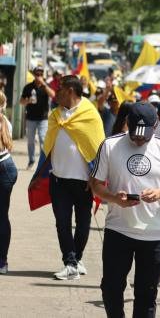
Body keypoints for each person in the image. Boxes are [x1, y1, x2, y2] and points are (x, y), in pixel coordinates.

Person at [89, 102, 160, 317]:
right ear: (127, 123)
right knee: (111, 288)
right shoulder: (110, 145)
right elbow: (96, 185)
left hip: (154, 235)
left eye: (145, 136)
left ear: (156, 125)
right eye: (135, 135)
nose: (139, 140)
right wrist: (114, 198)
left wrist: (159, 193)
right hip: (118, 230)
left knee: (146, 295)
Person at [42, 75, 105, 280]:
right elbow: (48, 146)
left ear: (70, 91)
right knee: (62, 223)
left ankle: (77, 259)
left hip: (84, 182)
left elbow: (99, 148)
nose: (55, 93)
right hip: (58, 179)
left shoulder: (90, 114)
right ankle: (70, 262)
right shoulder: (55, 115)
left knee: (83, 223)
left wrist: (95, 176)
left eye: (59, 89)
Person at [21, 66, 55, 168]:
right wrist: (28, 101)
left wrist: (44, 84)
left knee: (43, 140)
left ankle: (42, 162)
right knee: (31, 141)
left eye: (40, 74)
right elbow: (21, 101)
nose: (39, 76)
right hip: (31, 117)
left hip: (43, 118)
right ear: (34, 75)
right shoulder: (28, 87)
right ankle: (31, 160)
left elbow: (53, 95)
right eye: (37, 74)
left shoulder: (46, 86)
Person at [0, 91, 16, 274]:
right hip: (7, 167)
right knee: (2, 215)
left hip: (3, 168)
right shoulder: (6, 121)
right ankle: (2, 262)